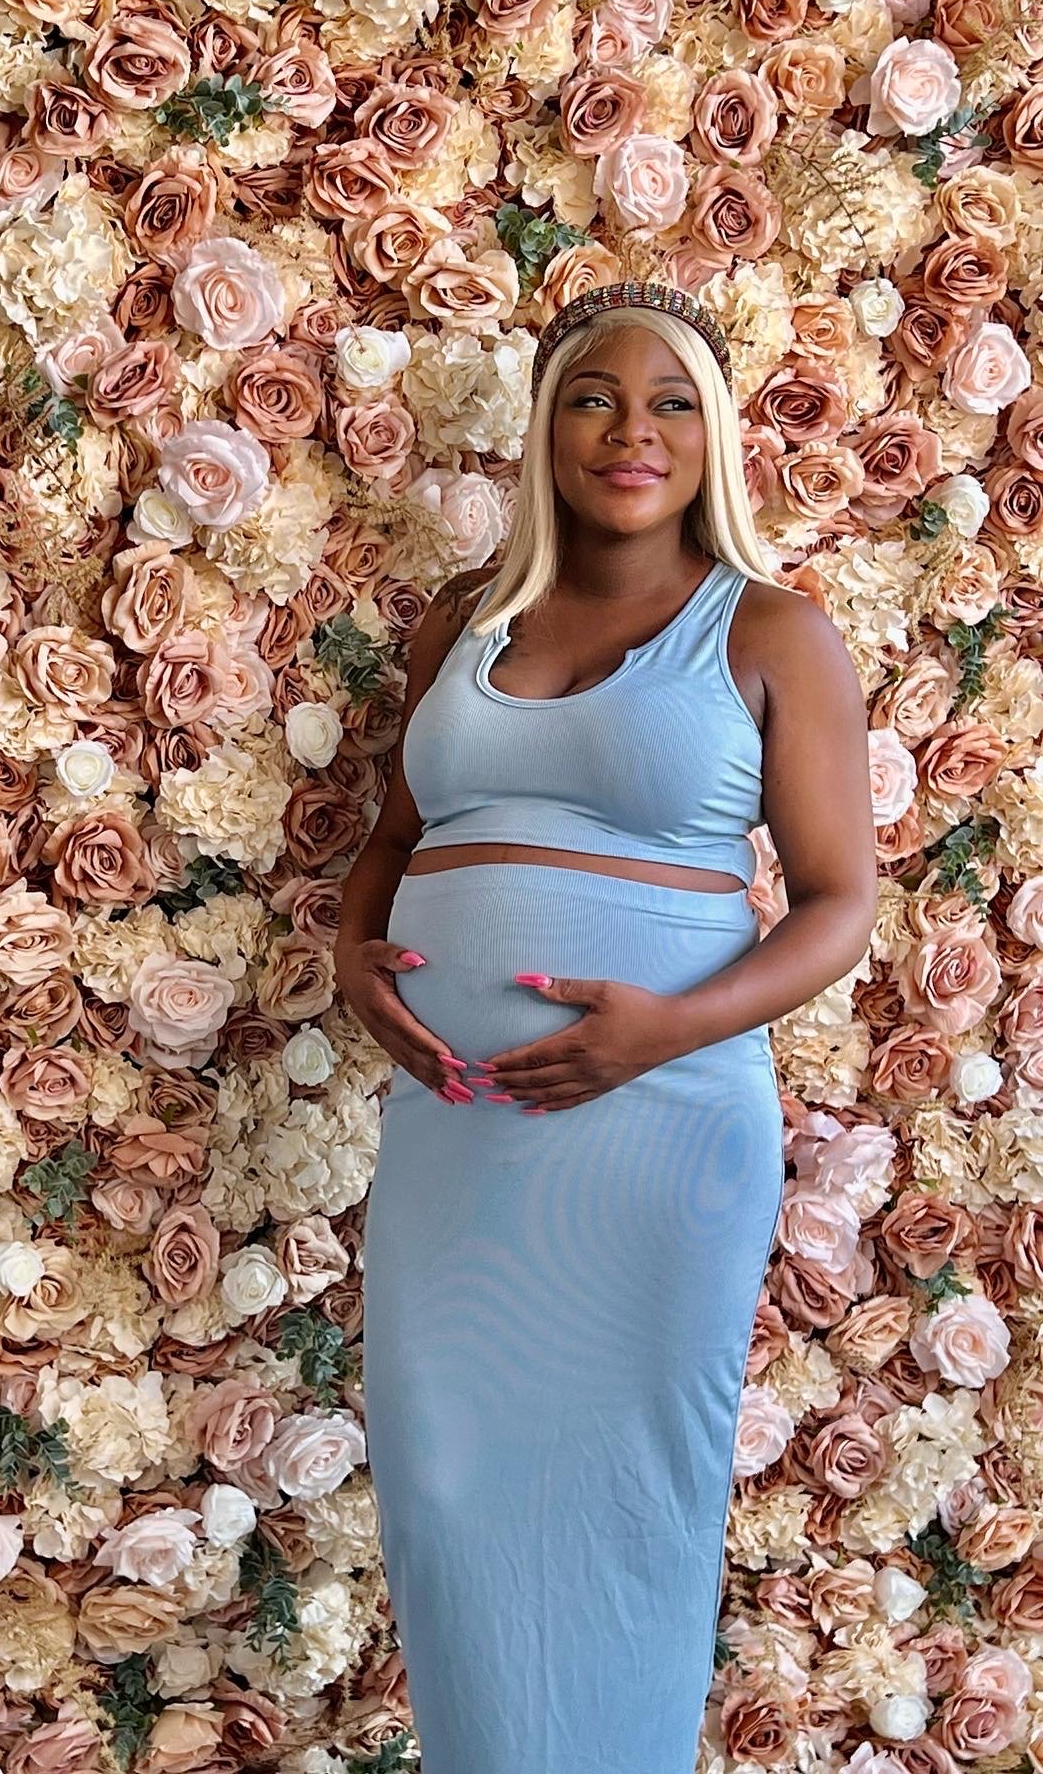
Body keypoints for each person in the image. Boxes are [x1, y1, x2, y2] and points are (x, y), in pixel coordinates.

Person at [336, 282, 879, 1773]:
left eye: (671, 402)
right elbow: (396, 835)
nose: (629, 431)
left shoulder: (770, 628)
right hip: (457, 1131)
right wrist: (350, 950)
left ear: (715, 439)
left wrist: (663, 1032)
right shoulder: (468, 618)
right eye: (593, 397)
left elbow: (839, 906)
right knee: (447, 1494)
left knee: (631, 1499)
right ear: (543, 429)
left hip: (658, 1130)